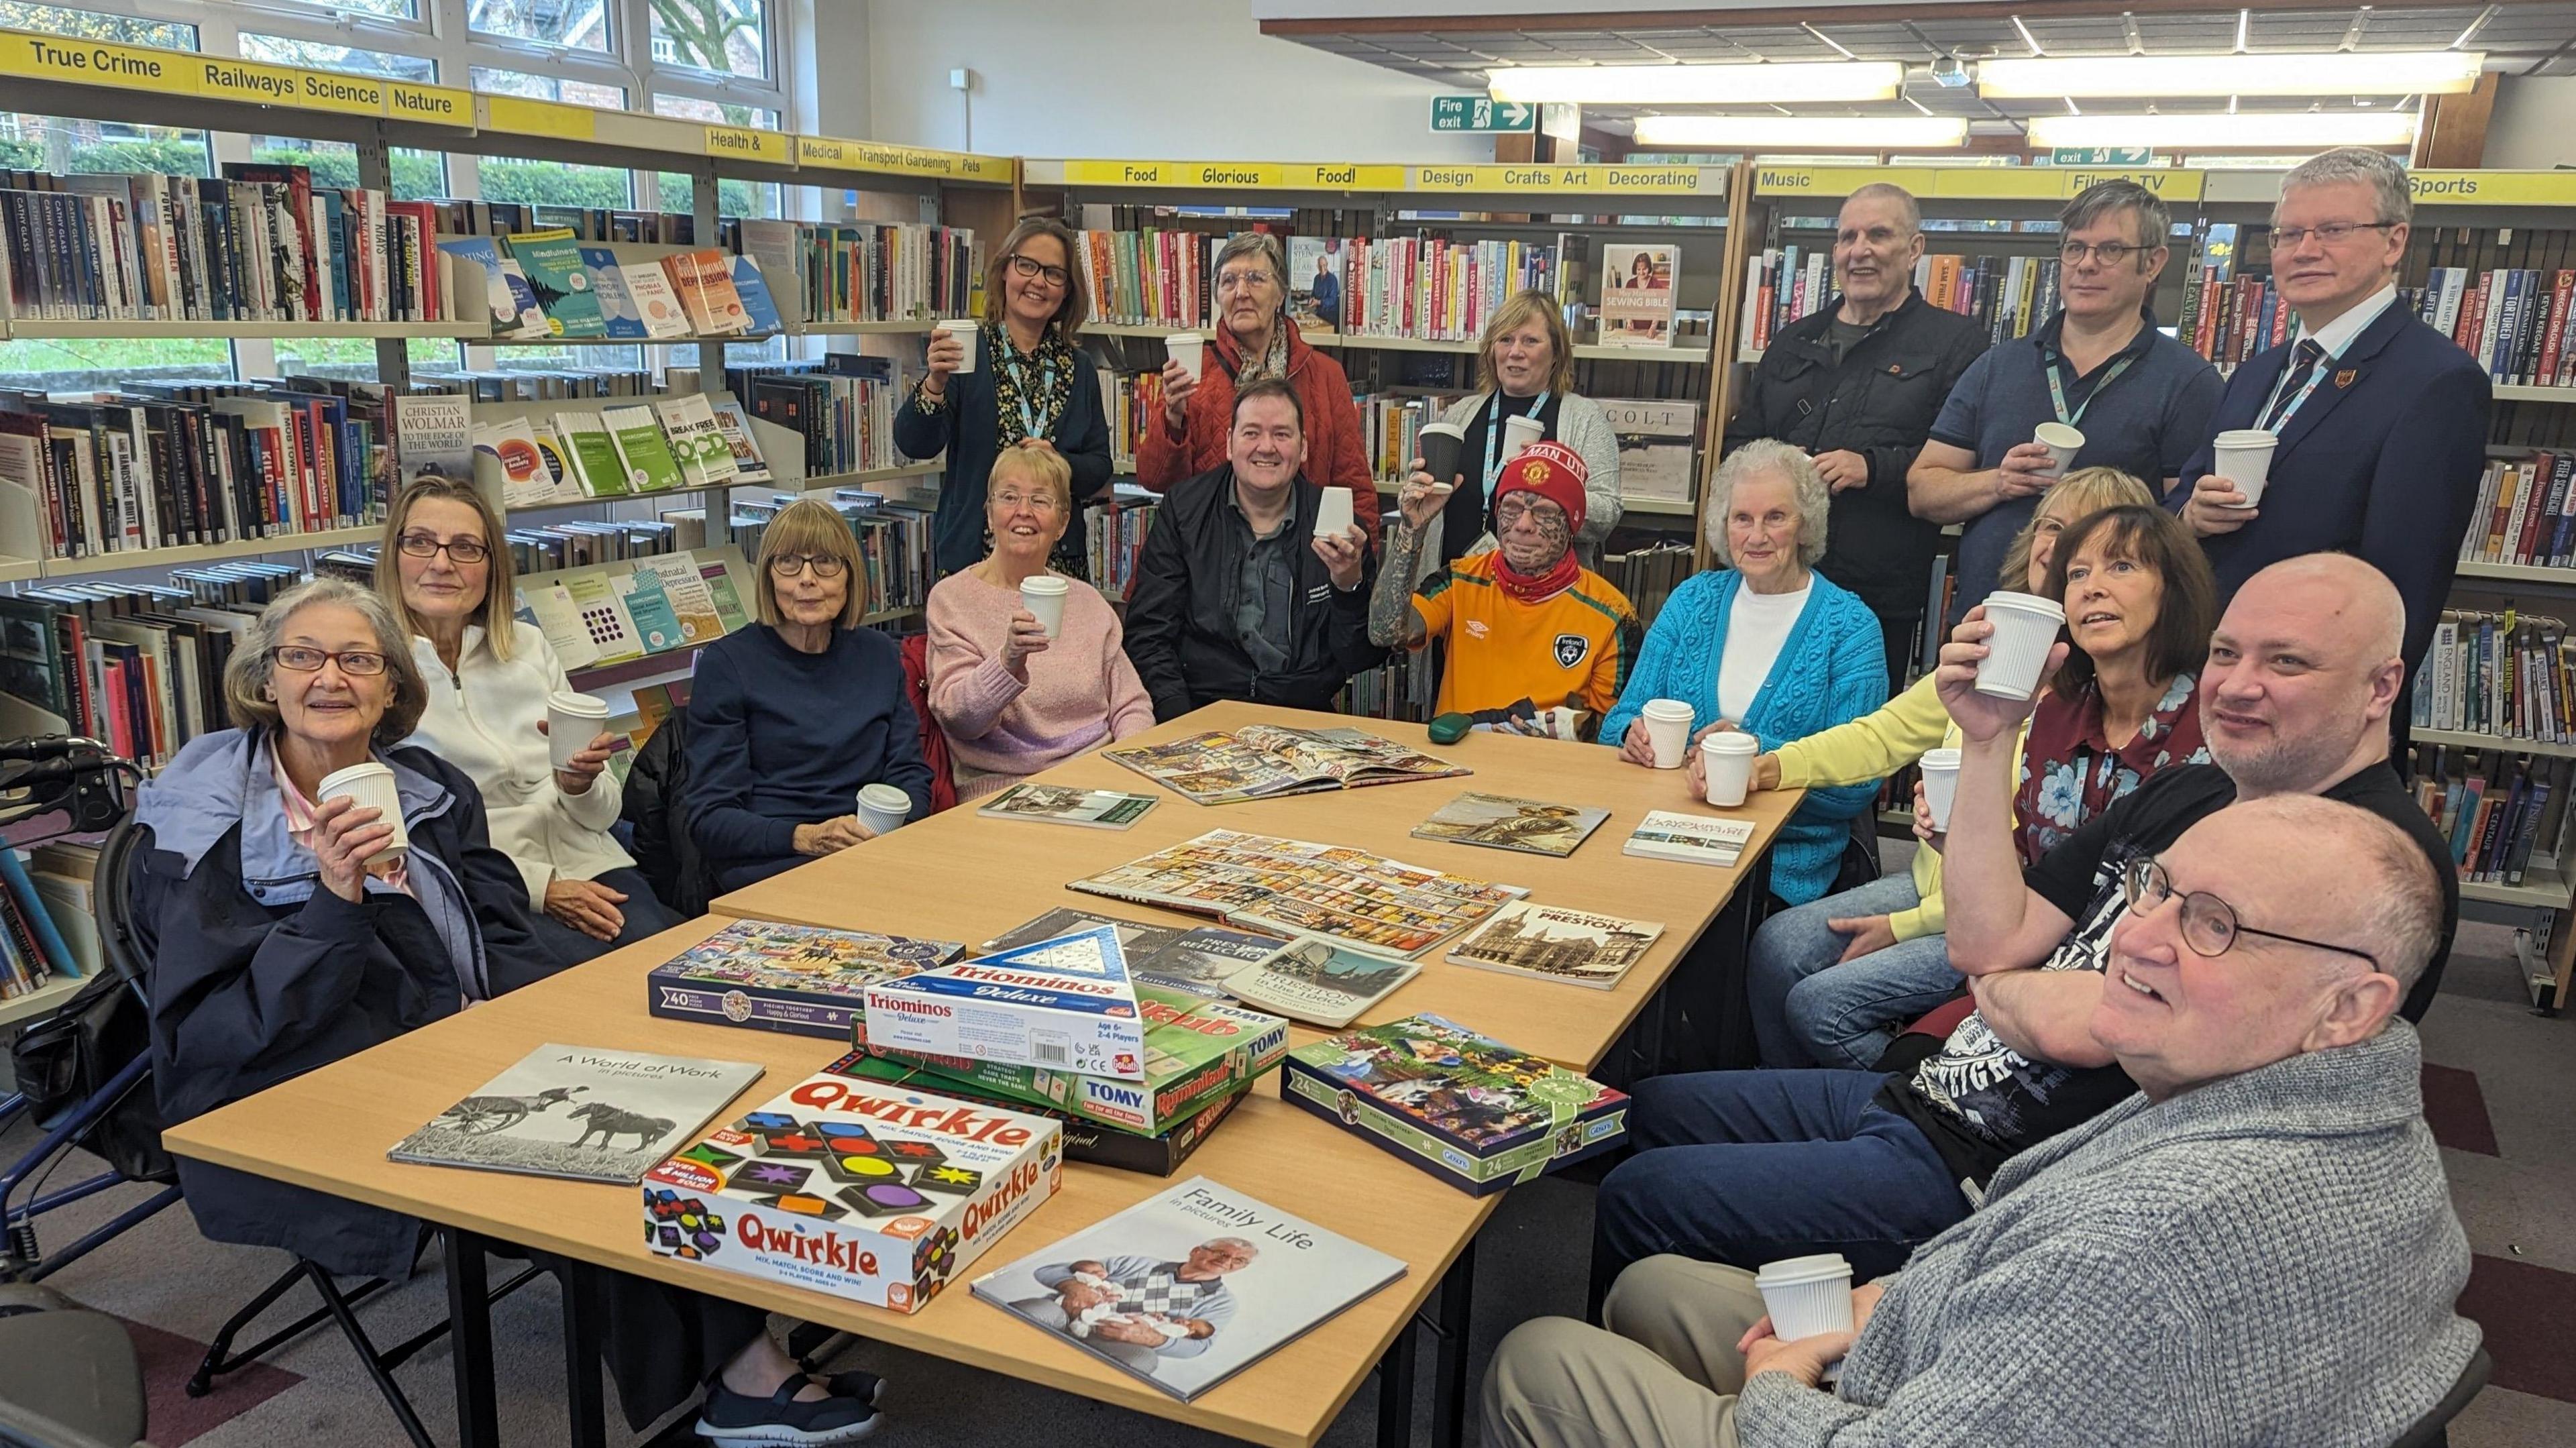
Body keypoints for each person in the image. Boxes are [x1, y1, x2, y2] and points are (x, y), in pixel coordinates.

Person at [1588, 553, 2459, 1298]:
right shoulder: (2194, 789)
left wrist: (2010, 986)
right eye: (2228, 653)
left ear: (2383, 684)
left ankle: (1686, 1365)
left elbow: (2109, 1025)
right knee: (1645, 1106)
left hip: (2011, 1179)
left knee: (1640, 1191)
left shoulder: (2372, 863)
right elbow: (1982, 941)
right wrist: (1985, 737)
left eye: (2287, 662)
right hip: (1938, 1090)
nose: (2237, 683)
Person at [130, 579, 878, 1444]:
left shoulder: (426, 784)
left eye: (358, 659)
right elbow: (216, 1036)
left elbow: (496, 931)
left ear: (390, 688)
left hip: (454, 1037)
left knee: (668, 1087)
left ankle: (747, 1346)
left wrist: (567, 1022)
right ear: (265, 680)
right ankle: (744, 1375)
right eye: (303, 656)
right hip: (305, 1087)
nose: (329, 677)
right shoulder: (209, 828)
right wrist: (336, 900)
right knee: (582, 1158)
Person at [1486, 796, 2477, 1448]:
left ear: (2350, 1003)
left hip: (1914, 1409)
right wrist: (1899, 1293)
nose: (2136, 934)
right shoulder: (2357, 1111)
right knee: (1656, 1285)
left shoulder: (2148, 1251)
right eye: (2155, 889)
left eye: (2212, 923)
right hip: (1973, 1353)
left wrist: (1781, 1389)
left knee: (1537, 1359)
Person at [1735, 474, 2207, 1070]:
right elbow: (1883, 735)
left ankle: (1887, 1109)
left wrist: (1910, 923)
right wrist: (1771, 765)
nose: (2061, 557)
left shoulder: (2106, 703)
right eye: (2055, 533)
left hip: (2005, 922)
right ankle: (1794, 1107)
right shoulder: (2007, 655)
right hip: (1947, 883)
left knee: (1819, 1005)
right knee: (1775, 945)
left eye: (2114, 563)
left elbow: (2043, 883)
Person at [2174, 147, 2492, 670]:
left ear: (2394, 241)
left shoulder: (2437, 381)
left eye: (2333, 231)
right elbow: (2181, 500)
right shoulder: (2256, 374)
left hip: (2312, 689)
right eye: (2289, 234)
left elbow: (2406, 583)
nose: (2305, 250)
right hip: (2207, 669)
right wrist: (2193, 517)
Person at [377, 477, 679, 966]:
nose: (441, 563)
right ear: (393, 555)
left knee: (675, 963)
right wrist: (541, 887)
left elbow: (602, 815)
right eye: (420, 542)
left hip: (592, 861)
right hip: (486, 890)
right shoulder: (375, 673)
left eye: (466, 548)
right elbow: (408, 837)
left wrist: (579, 783)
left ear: (492, 566)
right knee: (605, 992)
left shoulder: (528, 647)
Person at [1909, 180, 2223, 626]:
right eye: (2075, 248)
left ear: (2152, 262)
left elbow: (2186, 525)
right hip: (1987, 622)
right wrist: (1998, 482)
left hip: (2107, 638)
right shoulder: (1998, 365)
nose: (2087, 265)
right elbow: (1922, 490)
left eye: (2110, 250)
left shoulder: (2188, 382)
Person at [1602, 441, 1887, 906]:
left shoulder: (1851, 628)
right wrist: (1629, 737)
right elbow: (1620, 718)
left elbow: (1857, 783)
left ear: (1805, 525)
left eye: (1776, 517)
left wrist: (1755, 756)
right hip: (1657, 839)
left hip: (1776, 866)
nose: (1757, 535)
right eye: (1742, 518)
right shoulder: (1692, 600)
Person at [1725, 183, 1988, 681]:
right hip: (1773, 581)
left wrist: (1870, 467)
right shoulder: (1794, 339)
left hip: (1876, 591)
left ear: (1914, 249)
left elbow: (1962, 464)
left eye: (1879, 235)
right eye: (1848, 237)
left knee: (1858, 737)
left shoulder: (1956, 344)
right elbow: (1738, 443)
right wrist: (1773, 461)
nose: (1860, 250)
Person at [687, 497, 933, 892]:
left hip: (871, 850)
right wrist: (806, 838)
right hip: (773, 860)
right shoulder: (728, 665)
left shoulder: (881, 654)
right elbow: (709, 818)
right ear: (769, 576)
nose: (807, 579)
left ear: (850, 576)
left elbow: (909, 773)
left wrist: (894, 834)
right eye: (788, 562)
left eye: (826, 563)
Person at [1122, 376, 1383, 720]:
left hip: (1303, 715)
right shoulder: (1184, 511)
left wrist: (1348, 585)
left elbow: (1359, 658)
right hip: (1201, 710)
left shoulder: (1339, 525)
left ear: (1303, 447)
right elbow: (1149, 635)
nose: (1266, 447)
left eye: (1281, 434)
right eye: (1252, 432)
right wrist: (1177, 721)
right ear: (1230, 444)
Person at [924, 445, 1154, 799]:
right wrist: (1007, 662)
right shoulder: (952, 600)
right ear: (989, 514)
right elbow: (959, 720)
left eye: (1041, 501)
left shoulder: (1087, 601)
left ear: (1062, 523)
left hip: (1101, 779)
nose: (1023, 512)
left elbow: (1132, 705)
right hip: (1007, 792)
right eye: (1009, 497)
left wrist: (1125, 776)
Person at [1368, 439, 1639, 738]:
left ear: (1572, 524)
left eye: (1545, 513)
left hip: (1550, 777)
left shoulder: (1614, 615)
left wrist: (1558, 741)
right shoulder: (1459, 580)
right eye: (1511, 507)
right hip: (1453, 766)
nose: (1523, 524)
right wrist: (1411, 529)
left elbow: (1614, 732)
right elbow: (1384, 632)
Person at [894, 217, 1114, 578]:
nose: (1038, 282)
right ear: (1004, 272)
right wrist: (934, 382)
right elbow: (914, 443)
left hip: (1055, 564)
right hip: (974, 558)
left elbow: (1099, 467)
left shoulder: (1080, 367)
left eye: (1054, 274)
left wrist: (1058, 462)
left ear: (1066, 291)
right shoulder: (966, 353)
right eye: (1027, 266)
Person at [1137, 231, 1379, 537]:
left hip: (1304, 557)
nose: (1241, 292)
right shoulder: (1192, 372)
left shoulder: (1325, 375)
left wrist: (1354, 573)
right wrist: (1172, 419)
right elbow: (1154, 480)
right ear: (1217, 297)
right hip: (1210, 558)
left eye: (1255, 278)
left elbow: (1354, 489)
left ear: (1280, 295)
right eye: (1228, 281)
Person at [1419, 290, 1623, 568]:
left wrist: (1553, 484)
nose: (1516, 352)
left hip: (1543, 603)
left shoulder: (1585, 420)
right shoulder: (1460, 414)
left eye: (1530, 341)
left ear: (1556, 353)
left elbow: (1607, 515)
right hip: (1454, 592)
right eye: (1505, 340)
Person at [1010, 1238, 1256, 1375]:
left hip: (1117, 1341)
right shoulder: (1139, 1262)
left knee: (1143, 1361)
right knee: (1035, 1313)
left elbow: (1200, 1347)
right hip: (1065, 1312)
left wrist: (1154, 1339)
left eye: (1239, 1261)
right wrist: (1072, 1286)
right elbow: (1050, 1270)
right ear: (1196, 1251)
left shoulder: (1222, 1303)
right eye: (1223, 1253)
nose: (1228, 1261)